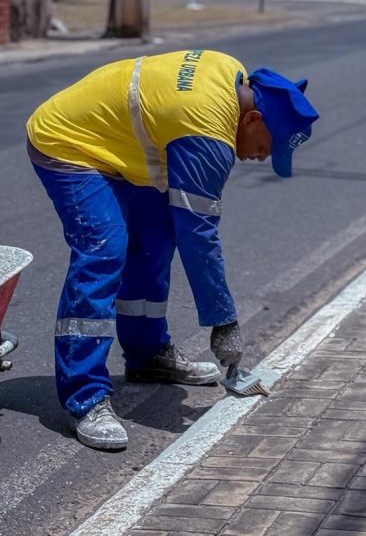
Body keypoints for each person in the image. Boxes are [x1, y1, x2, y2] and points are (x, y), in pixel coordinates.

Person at [27, 49, 318, 450]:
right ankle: (86, 396)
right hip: (69, 142)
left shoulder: (233, 76)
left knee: (155, 239)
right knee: (104, 251)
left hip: (122, 146)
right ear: (252, 119)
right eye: (267, 147)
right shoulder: (208, 133)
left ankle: (147, 356)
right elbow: (199, 236)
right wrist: (224, 323)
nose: (260, 158)